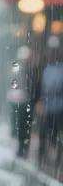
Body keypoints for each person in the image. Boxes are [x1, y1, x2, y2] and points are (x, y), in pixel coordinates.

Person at [38, 36, 63, 172]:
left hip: (59, 108)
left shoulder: (60, 69)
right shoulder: (46, 68)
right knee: (44, 134)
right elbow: (42, 89)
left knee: (58, 135)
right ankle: (41, 158)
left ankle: (57, 160)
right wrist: (41, 102)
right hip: (48, 108)